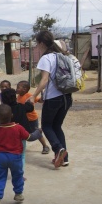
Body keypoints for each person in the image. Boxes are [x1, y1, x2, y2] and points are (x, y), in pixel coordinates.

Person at [0, 104, 42, 204]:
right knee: (17, 175)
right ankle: (18, 193)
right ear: (12, 115)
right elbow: (30, 137)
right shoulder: (18, 128)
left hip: (1, 157)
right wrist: (38, 132)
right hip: (15, 156)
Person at [28, 30, 71, 168]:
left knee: (46, 127)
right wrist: (43, 97)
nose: (37, 46)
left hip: (53, 99)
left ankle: (58, 150)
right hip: (67, 97)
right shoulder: (62, 55)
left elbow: (45, 80)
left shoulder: (46, 58)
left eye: (37, 43)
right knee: (57, 126)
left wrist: (34, 95)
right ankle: (64, 158)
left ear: (41, 43)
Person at [16, 80, 50, 154]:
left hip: (32, 119)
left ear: (24, 89)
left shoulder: (29, 96)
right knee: (22, 133)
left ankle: (45, 146)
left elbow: (39, 100)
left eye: (18, 87)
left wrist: (42, 96)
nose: (16, 89)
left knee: (36, 133)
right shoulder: (19, 96)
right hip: (23, 119)